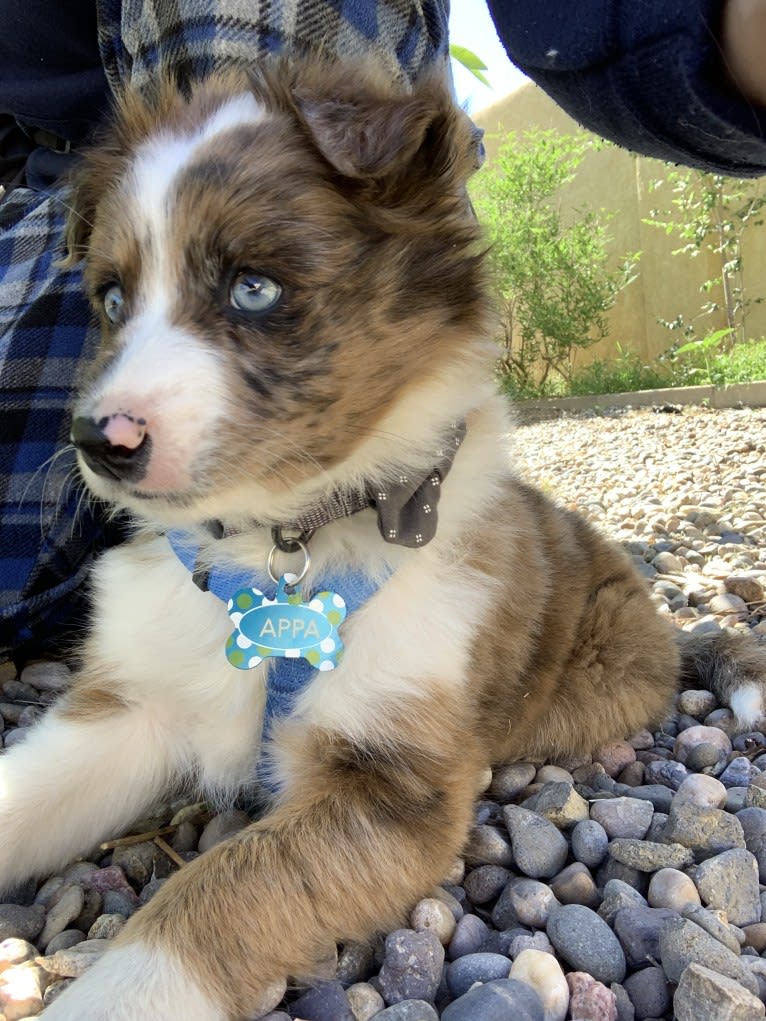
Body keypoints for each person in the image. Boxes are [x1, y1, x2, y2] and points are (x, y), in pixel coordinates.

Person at [1, 0, 765, 664]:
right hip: (56, 187)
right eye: (115, 302)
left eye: (253, 287)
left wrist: (719, 27)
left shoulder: (327, 165)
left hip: (280, 104)